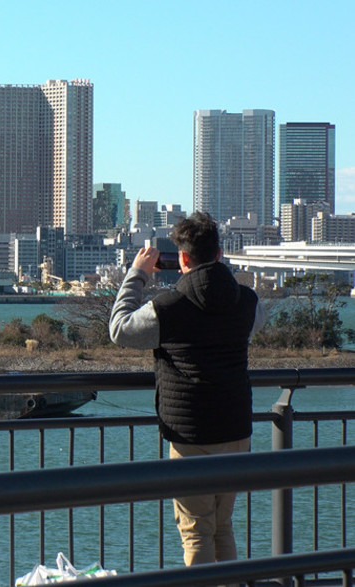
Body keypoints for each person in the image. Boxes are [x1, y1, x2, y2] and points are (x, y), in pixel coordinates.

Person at [109, 212, 266, 566]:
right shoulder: (246, 300)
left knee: (196, 530)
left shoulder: (168, 307)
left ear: (182, 257)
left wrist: (138, 275)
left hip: (191, 434)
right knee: (222, 527)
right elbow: (253, 326)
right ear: (220, 254)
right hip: (237, 430)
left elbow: (119, 329)